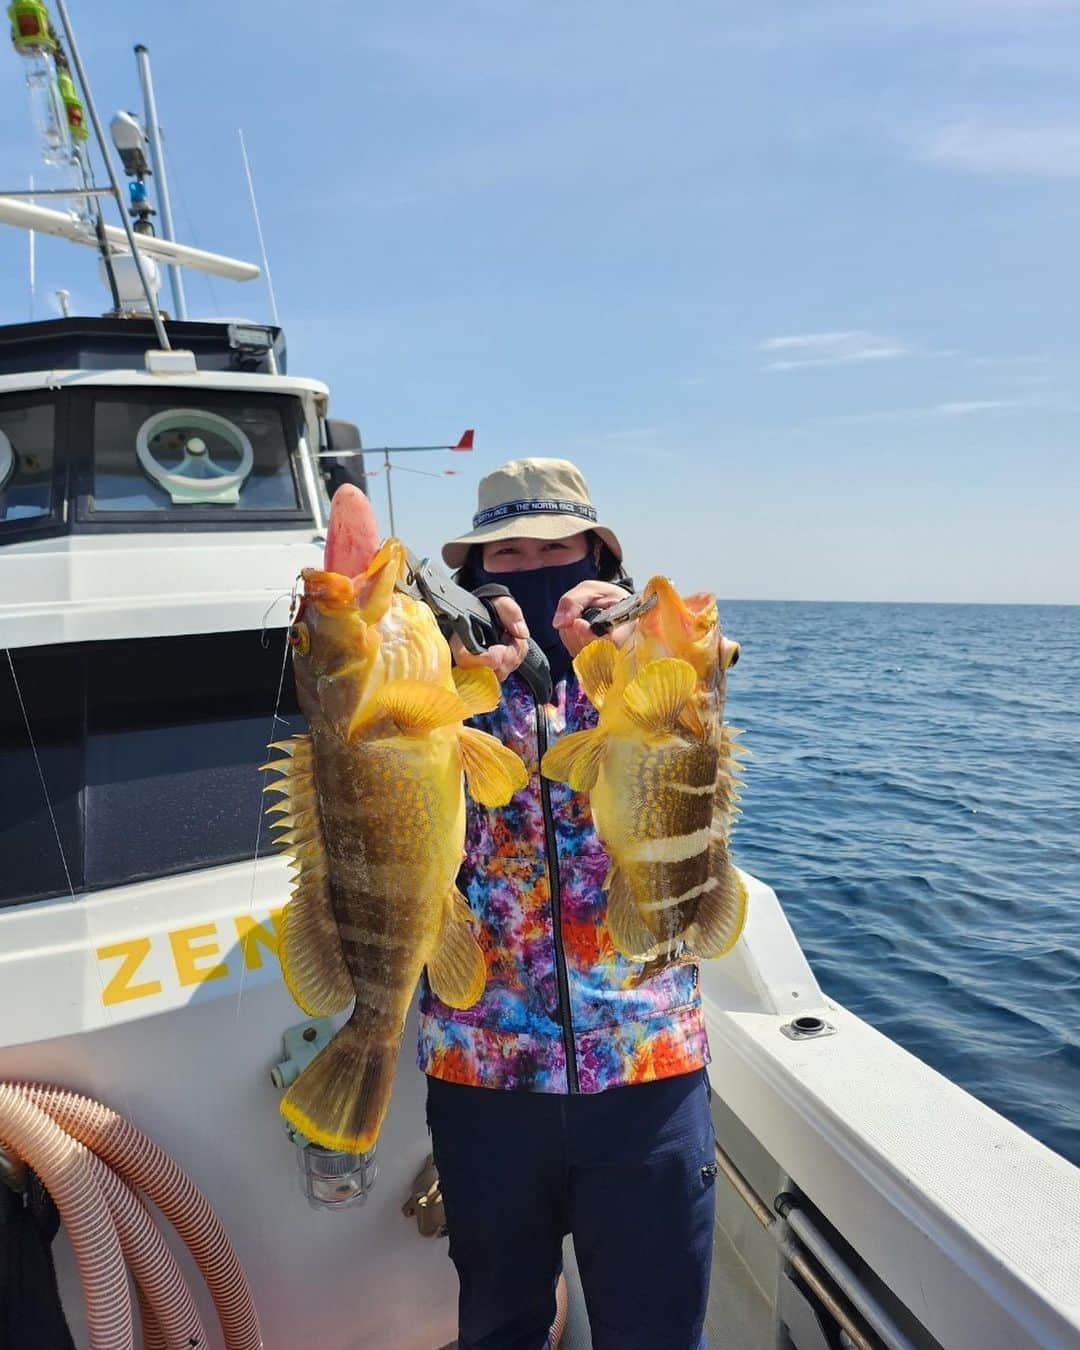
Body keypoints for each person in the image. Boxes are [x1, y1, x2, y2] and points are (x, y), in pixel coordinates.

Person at [418, 458, 717, 1350]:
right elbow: (413, 823)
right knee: (499, 1327)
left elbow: (696, 774)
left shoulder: (647, 665)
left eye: (557, 545)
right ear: (475, 576)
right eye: (506, 551)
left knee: (657, 1333)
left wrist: (626, 657)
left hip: (648, 1063)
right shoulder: (441, 676)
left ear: (598, 554)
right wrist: (475, 688)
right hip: (483, 1069)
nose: (532, 562)